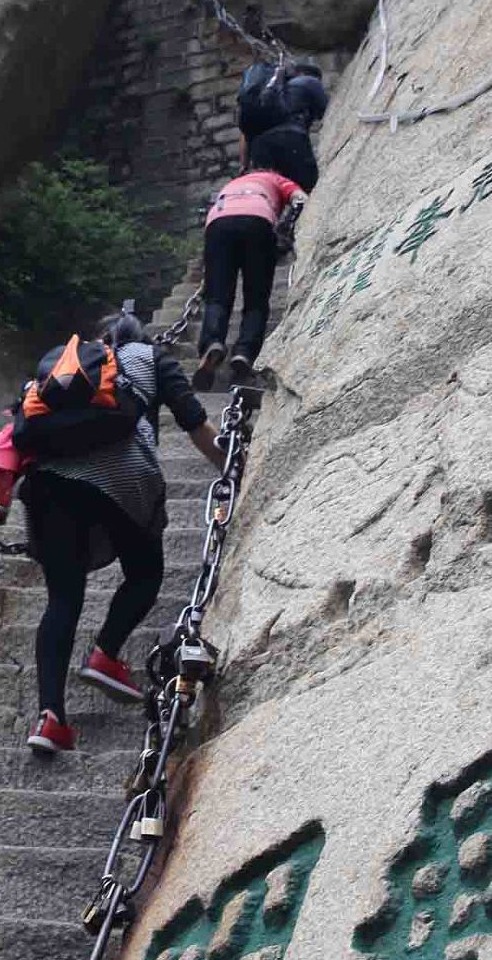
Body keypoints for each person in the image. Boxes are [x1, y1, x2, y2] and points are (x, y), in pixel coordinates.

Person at [19, 315, 223, 757]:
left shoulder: (64, 367)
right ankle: (106, 651)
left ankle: (50, 718)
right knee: (146, 573)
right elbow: (196, 427)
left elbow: (17, 431)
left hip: (49, 485)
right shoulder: (153, 358)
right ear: (142, 338)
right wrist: (233, 470)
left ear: (99, 340)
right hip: (125, 477)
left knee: (62, 599)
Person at [193, 163, 306, 389]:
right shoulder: (276, 180)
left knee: (217, 297)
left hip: (218, 222)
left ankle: (212, 343)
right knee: (256, 298)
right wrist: (288, 231)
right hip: (257, 220)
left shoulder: (233, 183)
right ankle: (244, 352)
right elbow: (300, 199)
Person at [237, 57, 330, 191]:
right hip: (290, 140)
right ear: (305, 73)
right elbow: (328, 111)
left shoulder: (266, 96)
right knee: (307, 192)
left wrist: (244, 166)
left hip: (259, 148)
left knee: (276, 193)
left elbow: (244, 134)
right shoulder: (310, 81)